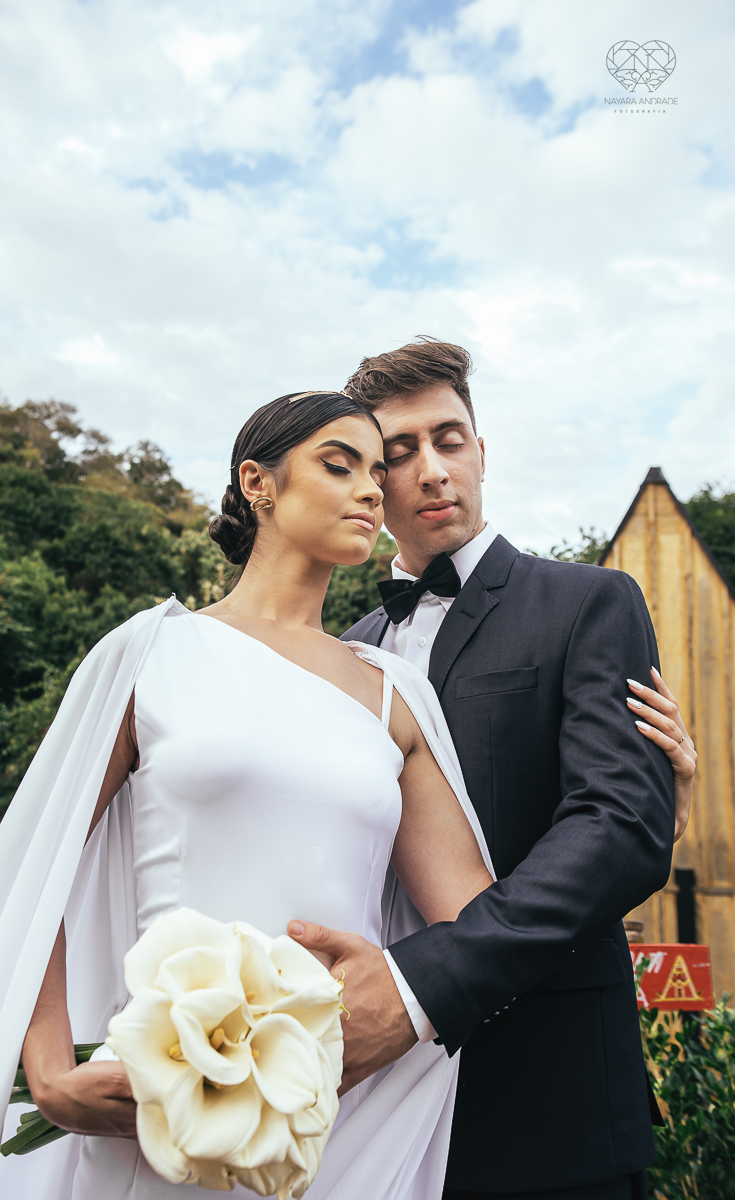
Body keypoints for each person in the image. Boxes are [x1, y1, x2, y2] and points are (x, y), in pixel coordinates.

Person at [0, 386, 688, 1200]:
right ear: (257, 481)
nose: (377, 486)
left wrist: (645, 825)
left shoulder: (392, 690)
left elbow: (471, 915)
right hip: (162, 1083)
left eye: (380, 467)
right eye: (351, 464)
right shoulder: (149, 651)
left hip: (341, 1097)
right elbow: (32, 869)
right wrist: (47, 1068)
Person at [288, 339, 697, 1200]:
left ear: (481, 450)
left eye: (450, 439)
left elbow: (617, 829)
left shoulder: (590, 601)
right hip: (360, 1108)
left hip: (546, 1099)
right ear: (368, 479)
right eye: (400, 453)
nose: (432, 470)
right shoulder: (337, 654)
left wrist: (418, 990)